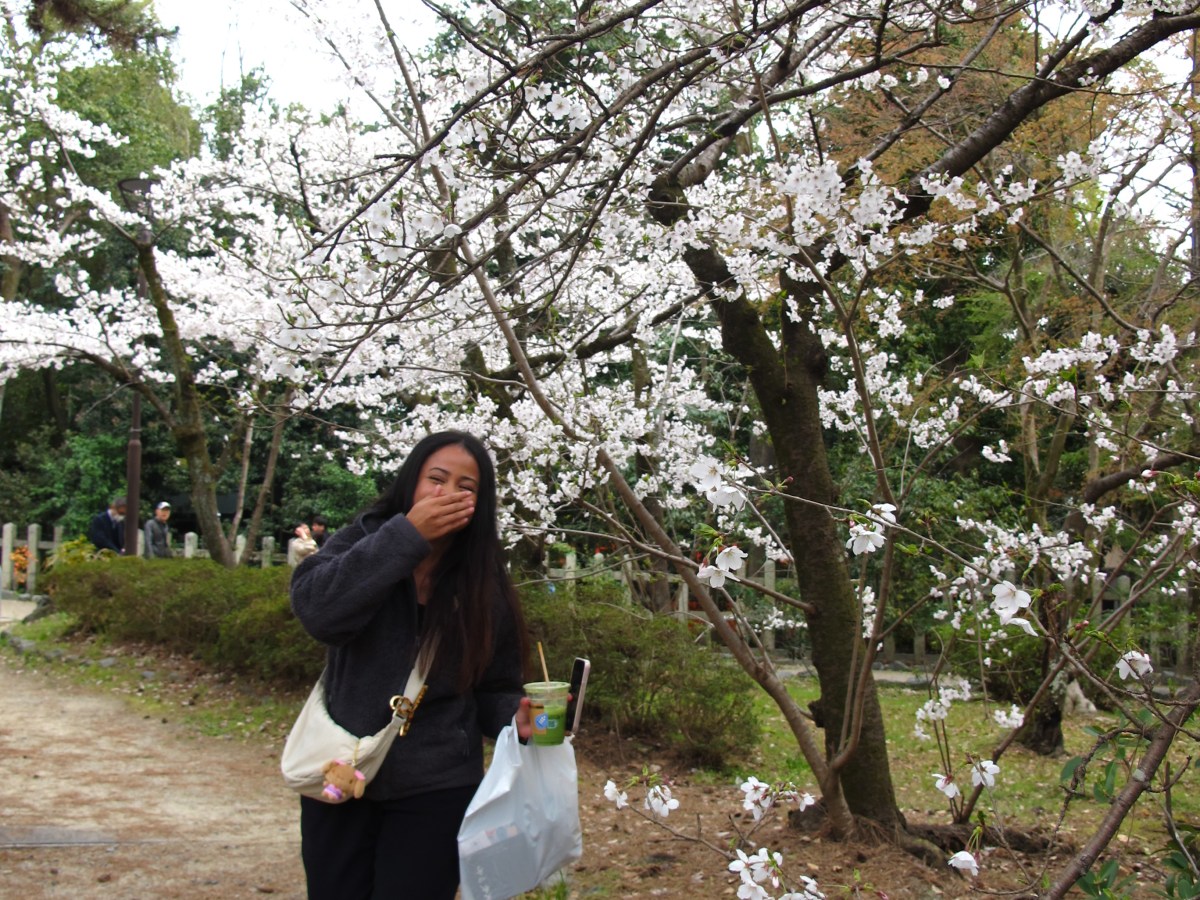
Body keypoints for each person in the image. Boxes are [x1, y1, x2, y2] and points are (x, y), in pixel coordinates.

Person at [290, 431, 533, 900]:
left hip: (437, 785)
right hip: (343, 770)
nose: (447, 493)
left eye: (466, 487)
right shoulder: (365, 539)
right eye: (436, 479)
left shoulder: (482, 581)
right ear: (412, 482)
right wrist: (406, 538)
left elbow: (494, 686)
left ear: (479, 504)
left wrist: (517, 719)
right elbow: (319, 613)